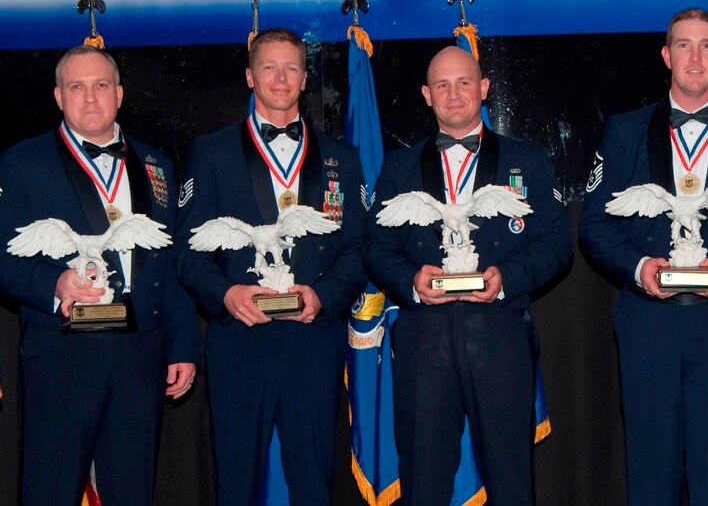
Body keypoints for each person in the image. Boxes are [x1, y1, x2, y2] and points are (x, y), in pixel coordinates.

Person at [579, 8, 708, 505]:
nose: (696, 56)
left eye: (707, 45)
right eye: (684, 45)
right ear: (667, 55)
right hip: (648, 324)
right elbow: (595, 225)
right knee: (650, 472)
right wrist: (641, 267)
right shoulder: (625, 132)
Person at [364, 46, 572, 505]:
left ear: (483, 88)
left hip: (500, 341)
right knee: (423, 481)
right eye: (441, 84)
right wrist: (411, 281)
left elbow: (558, 243)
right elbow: (375, 246)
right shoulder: (399, 167)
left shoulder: (528, 160)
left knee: (511, 481)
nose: (453, 94)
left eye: (463, 83)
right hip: (422, 345)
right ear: (426, 95)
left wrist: (508, 277)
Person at [0, 45, 199, 505]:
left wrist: (183, 346)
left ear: (120, 94)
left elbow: (169, 264)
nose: (90, 98)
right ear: (57, 96)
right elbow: (3, 259)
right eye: (77, 87)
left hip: (140, 358)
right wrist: (53, 284)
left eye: (101, 86)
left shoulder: (156, 166)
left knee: (133, 492)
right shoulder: (22, 163)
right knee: (50, 491)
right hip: (61, 358)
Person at [174, 28, 366, 505]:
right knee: (236, 483)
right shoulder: (210, 152)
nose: (280, 78)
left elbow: (360, 247)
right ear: (249, 76)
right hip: (240, 343)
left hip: (313, 343)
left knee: (313, 483)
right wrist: (224, 294)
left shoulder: (343, 157)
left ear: (304, 78)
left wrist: (324, 297)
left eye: (291, 68)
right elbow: (186, 250)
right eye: (268, 67)